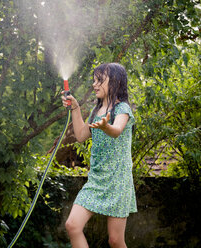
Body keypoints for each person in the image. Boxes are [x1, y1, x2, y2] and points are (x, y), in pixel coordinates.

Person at [61, 63, 137, 248]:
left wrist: (106, 127)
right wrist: (76, 108)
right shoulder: (97, 111)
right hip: (96, 180)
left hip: (118, 180)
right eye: (94, 80)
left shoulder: (122, 109)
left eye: (100, 80)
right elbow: (80, 135)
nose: (94, 84)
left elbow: (117, 130)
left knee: (115, 240)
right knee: (72, 226)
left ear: (115, 82)